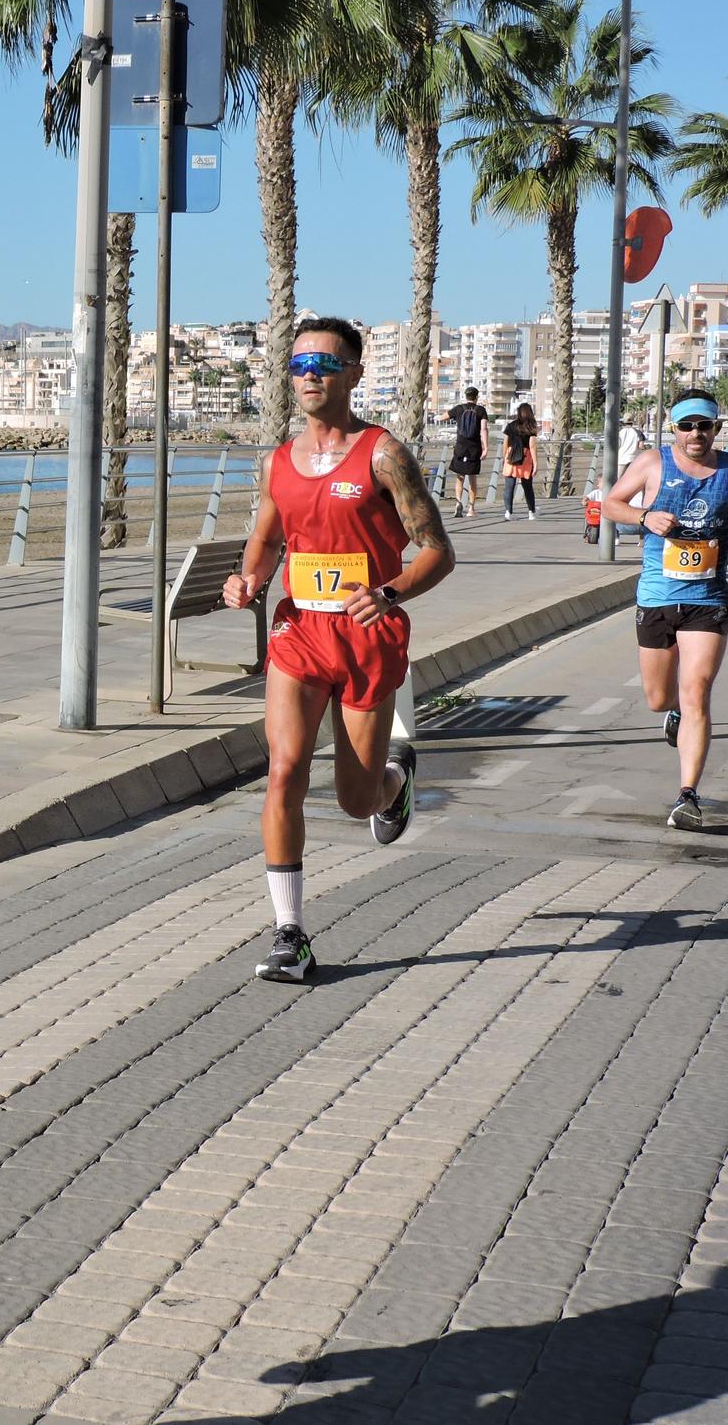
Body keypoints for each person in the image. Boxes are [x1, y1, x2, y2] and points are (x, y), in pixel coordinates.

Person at [224, 318, 456, 983]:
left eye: (325, 363)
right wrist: (251, 579)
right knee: (285, 771)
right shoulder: (279, 462)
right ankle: (288, 934)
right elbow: (267, 541)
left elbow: (438, 551)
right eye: (298, 365)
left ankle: (393, 786)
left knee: (354, 799)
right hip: (299, 636)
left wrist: (387, 592)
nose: (310, 375)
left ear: (354, 373)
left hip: (367, 639)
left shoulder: (384, 456)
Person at [602, 388, 728, 830]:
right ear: (675, 429)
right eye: (687, 426)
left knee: (697, 688)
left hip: (708, 598)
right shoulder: (651, 463)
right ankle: (674, 714)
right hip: (658, 595)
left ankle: (687, 796)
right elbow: (609, 504)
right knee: (658, 698)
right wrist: (643, 518)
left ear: (717, 429)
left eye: (704, 425)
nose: (696, 434)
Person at [447, 386, 488, 516]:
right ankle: (471, 508)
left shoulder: (459, 409)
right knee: (472, 478)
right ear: (477, 397)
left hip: (460, 447)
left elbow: (443, 417)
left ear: (466, 396)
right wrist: (485, 447)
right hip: (474, 448)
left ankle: (458, 502)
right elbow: (484, 429)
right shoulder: (481, 410)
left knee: (459, 477)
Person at [503, 402, 539, 520]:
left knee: (509, 486)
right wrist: (536, 463)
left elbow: (505, 443)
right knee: (528, 487)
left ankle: (508, 512)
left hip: (511, 456)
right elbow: (532, 446)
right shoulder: (531, 426)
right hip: (526, 457)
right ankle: (531, 512)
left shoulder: (511, 425)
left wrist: (505, 457)